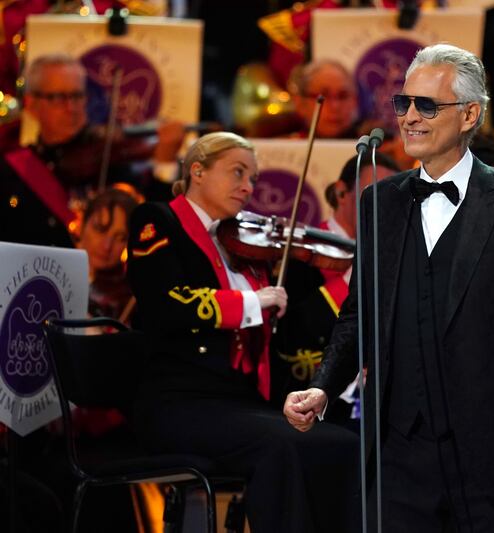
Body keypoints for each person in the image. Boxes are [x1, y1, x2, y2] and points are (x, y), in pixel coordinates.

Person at [284, 44, 494, 531]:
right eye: (404, 104)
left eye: (427, 105)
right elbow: (359, 315)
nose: (410, 118)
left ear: (470, 114)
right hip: (399, 454)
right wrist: (323, 387)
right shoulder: (379, 202)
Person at [126, 131, 359, 533]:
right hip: (179, 402)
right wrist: (254, 303)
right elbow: (166, 303)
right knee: (279, 446)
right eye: (237, 172)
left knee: (342, 443)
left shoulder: (243, 245)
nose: (248, 187)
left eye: (252, 177)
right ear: (197, 171)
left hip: (239, 400)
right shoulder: (158, 221)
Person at [0, 53, 184, 247]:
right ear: (31, 104)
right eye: (58, 98)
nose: (71, 107)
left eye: (77, 96)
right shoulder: (12, 171)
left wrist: (165, 163)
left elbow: (154, 224)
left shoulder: (112, 159)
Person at [273, 152, 400, 425]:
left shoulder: (392, 256)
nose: (382, 205)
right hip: (312, 399)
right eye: (372, 191)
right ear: (341, 193)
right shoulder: (300, 256)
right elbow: (291, 337)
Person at [76, 185, 143, 322]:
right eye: (100, 229)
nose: (107, 246)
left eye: (120, 238)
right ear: (83, 224)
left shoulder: (129, 299)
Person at [289, 59, 361, 139]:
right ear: (300, 103)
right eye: (323, 96)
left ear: (355, 101)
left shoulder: (371, 146)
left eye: (343, 96)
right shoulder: (286, 146)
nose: (335, 106)